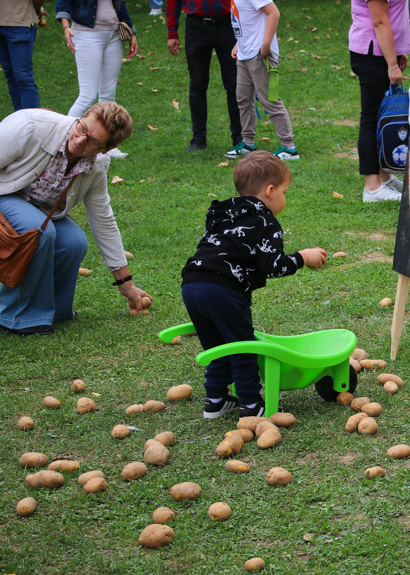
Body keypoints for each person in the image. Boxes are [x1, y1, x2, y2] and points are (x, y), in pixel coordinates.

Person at [181, 151, 327, 418]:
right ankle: (251, 405)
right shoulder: (265, 221)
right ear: (270, 191)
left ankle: (215, 401)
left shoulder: (223, 213)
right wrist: (303, 258)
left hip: (192, 285)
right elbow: (272, 266)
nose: (284, 198)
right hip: (224, 290)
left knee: (218, 347)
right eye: (285, 192)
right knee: (243, 346)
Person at [0, 102, 152, 335]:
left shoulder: (98, 164)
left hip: (38, 210)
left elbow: (103, 219)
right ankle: (16, 315)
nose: (80, 140)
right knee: (40, 231)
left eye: (93, 142)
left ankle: (54, 311)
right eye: (82, 129)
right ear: (81, 117)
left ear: (105, 149)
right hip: (4, 195)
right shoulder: (29, 126)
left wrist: (126, 284)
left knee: (73, 243)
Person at [56, 0, 138, 160]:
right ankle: (60, 140)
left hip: (114, 35)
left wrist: (131, 32)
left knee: (109, 95)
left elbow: (120, 5)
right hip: (86, 34)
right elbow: (63, 3)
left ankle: (107, 146)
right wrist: (66, 27)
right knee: (87, 96)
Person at [348, 0, 410, 202]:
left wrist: (397, 52)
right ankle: (372, 187)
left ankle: (384, 178)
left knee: (382, 117)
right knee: (371, 119)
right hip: (372, 53)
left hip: (383, 51)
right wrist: (392, 64)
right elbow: (379, 22)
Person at [225, 0, 299, 162]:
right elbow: (247, 20)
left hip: (259, 55)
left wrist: (265, 45)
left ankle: (289, 147)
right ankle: (247, 143)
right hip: (244, 54)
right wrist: (239, 43)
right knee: (243, 98)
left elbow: (274, 13)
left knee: (269, 99)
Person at [166, 0, 242, 153]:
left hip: (228, 26)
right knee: (197, 83)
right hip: (196, 26)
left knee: (233, 83)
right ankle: (198, 138)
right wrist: (172, 31)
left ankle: (239, 137)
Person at [0, 0, 45, 111]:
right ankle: (20, 121)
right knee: (12, 76)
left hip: (19, 22)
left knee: (23, 77)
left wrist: (36, 10)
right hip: (17, 20)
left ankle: (31, 124)